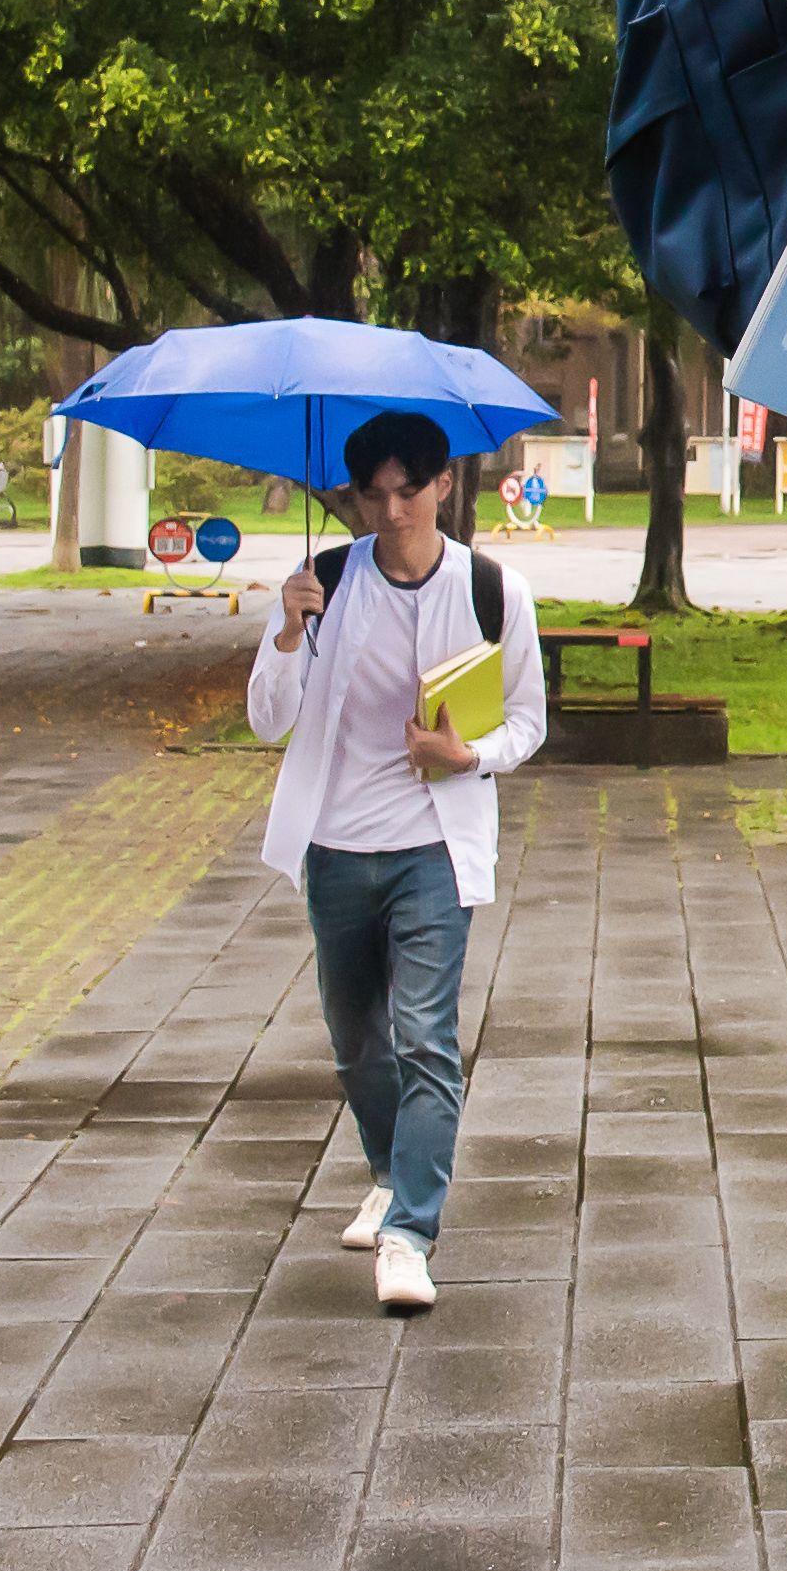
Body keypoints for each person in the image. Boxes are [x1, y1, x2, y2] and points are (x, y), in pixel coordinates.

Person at [245, 408, 550, 1317]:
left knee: (425, 1036)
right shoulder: (327, 582)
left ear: (443, 485)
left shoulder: (492, 590)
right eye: (372, 496)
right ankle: (389, 1171)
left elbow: (528, 722)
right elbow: (267, 719)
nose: (391, 511)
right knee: (355, 1042)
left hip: (432, 849)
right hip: (336, 848)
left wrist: (468, 756)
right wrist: (288, 633)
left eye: (408, 491)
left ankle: (410, 1232)